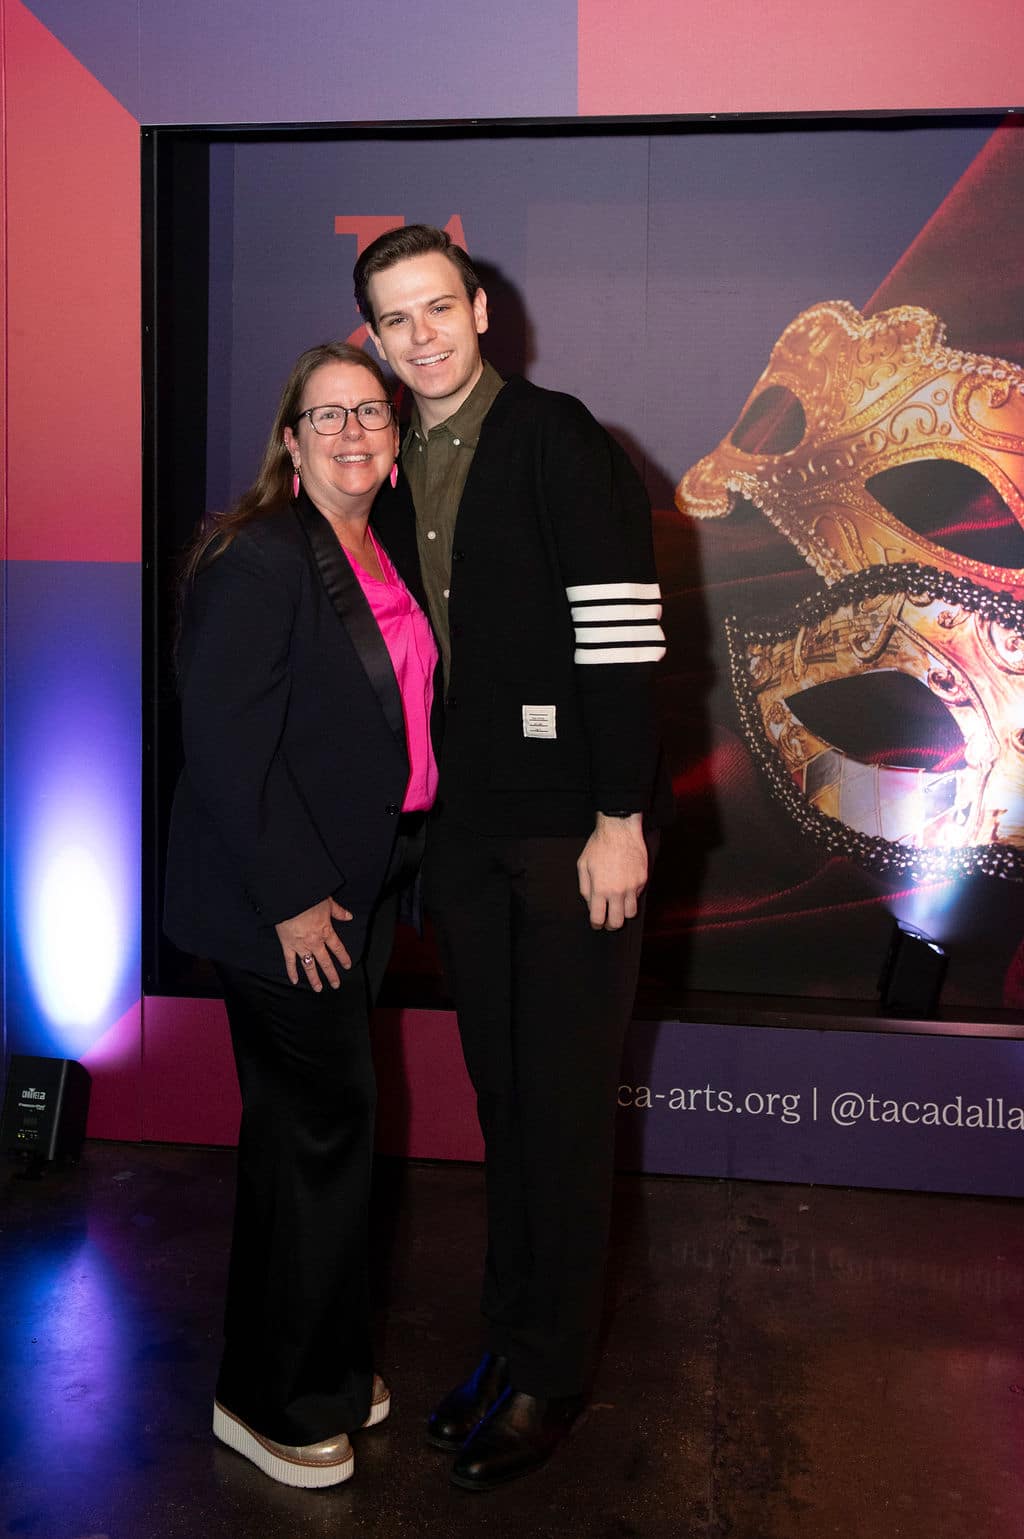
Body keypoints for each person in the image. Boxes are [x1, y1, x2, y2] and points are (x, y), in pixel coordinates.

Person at [356, 225, 670, 1491]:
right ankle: (510, 1338)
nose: (421, 335)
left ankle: (553, 1371)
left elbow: (621, 633)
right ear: (375, 337)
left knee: (563, 1108)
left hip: (571, 834)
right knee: (505, 1103)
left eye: (438, 307)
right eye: (397, 319)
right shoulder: (391, 462)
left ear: (480, 308)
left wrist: (619, 817)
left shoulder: (557, 437)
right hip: (465, 835)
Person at [163, 341, 439, 1488]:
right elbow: (224, 746)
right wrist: (289, 900)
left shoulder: (382, 545)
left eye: (369, 412)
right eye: (325, 416)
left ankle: (319, 1363)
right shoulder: (261, 556)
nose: (350, 432)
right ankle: (269, 1401)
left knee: (309, 1134)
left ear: (395, 434)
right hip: (284, 905)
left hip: (356, 889)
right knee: (321, 1134)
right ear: (290, 441)